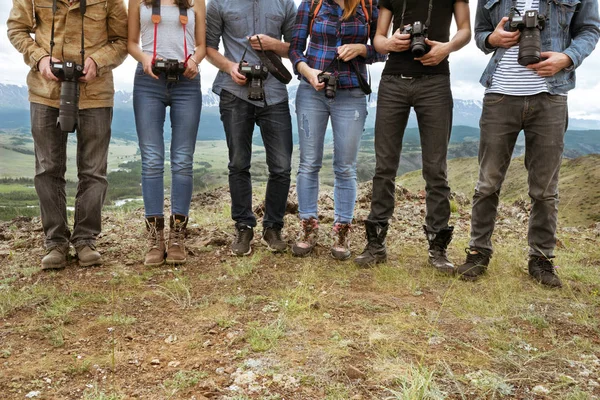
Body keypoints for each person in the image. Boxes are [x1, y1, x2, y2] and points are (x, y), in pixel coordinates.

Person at [456, 0, 600, 287]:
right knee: (487, 183)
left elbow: (590, 30)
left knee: (545, 188)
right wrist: (491, 39)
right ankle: (478, 252)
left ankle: (542, 259)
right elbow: (481, 34)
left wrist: (567, 58)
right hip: (499, 94)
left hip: (550, 95)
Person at [7, 0, 128, 270]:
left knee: (94, 171)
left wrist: (98, 60)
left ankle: (86, 240)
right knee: (47, 169)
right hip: (45, 93)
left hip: (95, 94)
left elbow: (122, 39)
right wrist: (40, 59)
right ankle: (55, 242)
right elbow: (16, 28)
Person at [354, 0, 471, 271]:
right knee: (384, 167)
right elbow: (379, 39)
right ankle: (376, 244)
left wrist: (446, 48)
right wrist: (390, 43)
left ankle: (438, 249)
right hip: (393, 80)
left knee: (435, 169)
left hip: (436, 81)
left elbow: (465, 30)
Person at [288, 0, 384, 260]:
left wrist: (361, 49)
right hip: (311, 92)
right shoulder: (312, 4)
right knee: (309, 163)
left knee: (345, 166)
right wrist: (308, 73)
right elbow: (295, 50)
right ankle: (308, 227)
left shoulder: (369, 6)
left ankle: (342, 229)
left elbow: (382, 50)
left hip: (352, 92)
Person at [205, 0, 297, 256]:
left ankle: (273, 227)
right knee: (238, 163)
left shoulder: (285, 3)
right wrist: (229, 67)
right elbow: (208, 48)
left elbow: (295, 49)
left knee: (281, 166)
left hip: (275, 92)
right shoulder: (218, 3)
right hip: (234, 92)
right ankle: (244, 226)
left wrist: (272, 45)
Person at [128, 0, 206, 266]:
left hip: (187, 81)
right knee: (151, 159)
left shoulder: (196, 2)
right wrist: (144, 59)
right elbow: (131, 43)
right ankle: (154, 238)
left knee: (183, 159)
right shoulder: (138, 1)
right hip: (149, 81)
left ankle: (177, 237)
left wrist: (194, 60)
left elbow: (201, 45)